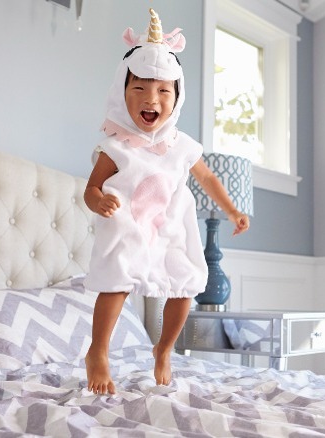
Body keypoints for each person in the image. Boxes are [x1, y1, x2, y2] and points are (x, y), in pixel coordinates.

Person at [82, 9, 249, 395]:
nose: (151, 98)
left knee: (185, 286)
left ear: (176, 98)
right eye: (138, 88)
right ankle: (98, 352)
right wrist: (99, 201)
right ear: (123, 94)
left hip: (171, 226)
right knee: (116, 281)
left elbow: (206, 177)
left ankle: (164, 348)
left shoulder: (182, 145)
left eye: (162, 91)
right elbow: (91, 188)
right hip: (128, 224)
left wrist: (232, 210)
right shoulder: (115, 147)